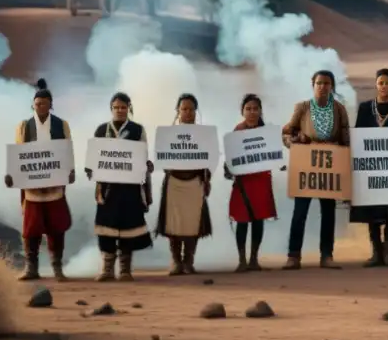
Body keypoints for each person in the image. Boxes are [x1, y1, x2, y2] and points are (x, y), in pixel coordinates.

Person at [5, 78, 75, 282]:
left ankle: (57, 267)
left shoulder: (61, 125)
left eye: (44, 103)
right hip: (33, 188)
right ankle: (31, 268)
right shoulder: (24, 127)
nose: (40, 106)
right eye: (37, 104)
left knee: (56, 227)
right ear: (33, 105)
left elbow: (67, 150)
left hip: (54, 186)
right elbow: (20, 154)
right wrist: (12, 174)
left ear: (50, 105)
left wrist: (70, 170)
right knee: (31, 229)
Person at [282, 69, 350, 270]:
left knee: (328, 212)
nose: (322, 87)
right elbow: (286, 133)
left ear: (332, 86)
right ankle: (293, 256)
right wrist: (297, 140)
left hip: (329, 167)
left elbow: (346, 137)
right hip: (306, 166)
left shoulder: (339, 109)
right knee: (300, 212)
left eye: (327, 83)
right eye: (319, 83)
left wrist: (345, 158)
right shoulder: (302, 108)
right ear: (313, 85)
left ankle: (327, 255)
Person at [85, 92, 153, 282]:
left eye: (124, 107)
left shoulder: (138, 130)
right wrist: (90, 168)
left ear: (129, 108)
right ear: (111, 109)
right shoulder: (101, 130)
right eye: (117, 107)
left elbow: (142, 155)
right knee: (106, 228)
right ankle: (107, 269)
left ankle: (124, 269)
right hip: (107, 189)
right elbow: (95, 158)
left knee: (128, 228)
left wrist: (146, 166)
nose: (120, 110)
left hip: (130, 188)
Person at [349, 68, 388, 268]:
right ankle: (375, 252)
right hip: (371, 168)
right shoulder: (365, 108)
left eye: (387, 82)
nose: (384, 86)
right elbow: (359, 135)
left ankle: (387, 253)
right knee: (372, 211)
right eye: (380, 83)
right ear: (375, 85)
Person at [155, 93, 212, 275]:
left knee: (192, 223)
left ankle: (188, 260)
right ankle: (175, 261)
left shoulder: (204, 135)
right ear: (178, 111)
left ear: (196, 111)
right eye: (184, 109)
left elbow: (209, 158)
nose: (187, 112)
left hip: (195, 182)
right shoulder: (168, 134)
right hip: (174, 182)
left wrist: (207, 179)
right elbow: (161, 158)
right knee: (174, 224)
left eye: (191, 109)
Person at [225, 93, 278, 272]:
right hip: (243, 182)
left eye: (255, 108)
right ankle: (242, 260)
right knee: (242, 220)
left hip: (261, 180)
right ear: (242, 111)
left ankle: (254, 259)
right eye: (248, 109)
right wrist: (228, 168)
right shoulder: (237, 131)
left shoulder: (268, 132)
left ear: (261, 111)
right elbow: (231, 156)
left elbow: (275, 154)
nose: (252, 112)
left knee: (258, 219)